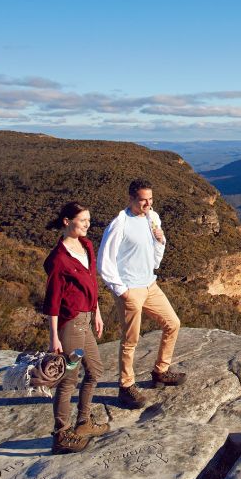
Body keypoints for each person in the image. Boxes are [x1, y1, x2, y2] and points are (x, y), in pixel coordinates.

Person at [98, 179, 185, 409]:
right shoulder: (120, 223)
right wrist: (121, 290)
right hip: (130, 289)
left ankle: (161, 371)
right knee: (130, 340)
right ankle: (126, 387)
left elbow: (156, 255)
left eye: (150, 199)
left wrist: (160, 240)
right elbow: (104, 261)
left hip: (150, 284)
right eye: (143, 199)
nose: (147, 203)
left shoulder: (152, 218)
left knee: (172, 323)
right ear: (131, 199)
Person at [43, 201, 108, 454]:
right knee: (69, 378)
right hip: (70, 327)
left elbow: (92, 283)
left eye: (88, 220)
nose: (87, 225)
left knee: (95, 370)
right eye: (83, 220)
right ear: (67, 222)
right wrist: (54, 338)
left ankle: (83, 423)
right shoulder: (58, 260)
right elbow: (52, 302)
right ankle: (60, 434)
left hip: (86, 322)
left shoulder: (87, 246)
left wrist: (97, 312)